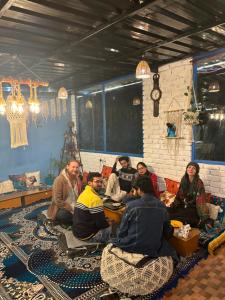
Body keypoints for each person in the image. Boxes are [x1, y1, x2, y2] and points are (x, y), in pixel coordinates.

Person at [112, 176, 176, 259]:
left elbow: (122, 232)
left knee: (112, 229)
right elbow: (168, 231)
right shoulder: (162, 206)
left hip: (132, 246)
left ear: (138, 189)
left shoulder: (131, 205)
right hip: (154, 247)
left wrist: (119, 238)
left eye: (134, 190)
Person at [73, 172, 111, 243]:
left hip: (76, 232)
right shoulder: (95, 199)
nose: (100, 184)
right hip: (86, 236)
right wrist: (109, 223)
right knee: (110, 228)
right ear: (90, 183)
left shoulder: (84, 193)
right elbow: (102, 224)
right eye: (97, 182)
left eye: (101, 182)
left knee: (104, 219)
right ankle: (104, 245)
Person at [168, 162, 209, 227]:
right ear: (186, 169)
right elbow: (178, 196)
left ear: (196, 171)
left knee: (181, 218)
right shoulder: (183, 179)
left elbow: (201, 201)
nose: (191, 169)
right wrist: (172, 207)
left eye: (194, 168)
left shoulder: (199, 183)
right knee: (168, 214)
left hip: (193, 209)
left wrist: (205, 218)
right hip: (183, 206)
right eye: (189, 167)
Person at [47, 159, 83, 226]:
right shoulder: (59, 180)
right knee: (62, 215)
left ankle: (78, 219)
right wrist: (71, 208)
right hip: (63, 207)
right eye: (73, 167)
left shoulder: (78, 179)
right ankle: (78, 220)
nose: (75, 169)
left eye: (77, 167)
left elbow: (80, 194)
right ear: (67, 167)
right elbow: (57, 200)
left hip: (76, 205)